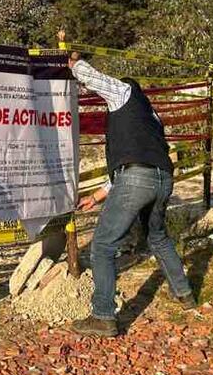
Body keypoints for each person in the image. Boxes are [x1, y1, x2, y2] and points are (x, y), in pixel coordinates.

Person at [67, 46, 196, 337]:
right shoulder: (152, 118)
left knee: (102, 245)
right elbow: (136, 161)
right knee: (158, 237)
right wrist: (96, 197)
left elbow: (93, 77)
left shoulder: (125, 92)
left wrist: (72, 62)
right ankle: (185, 295)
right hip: (163, 179)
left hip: (138, 178)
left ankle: (103, 316)